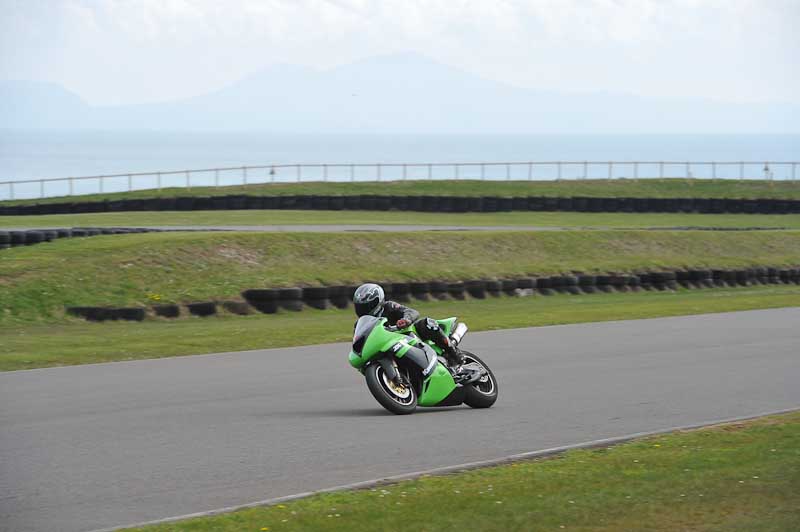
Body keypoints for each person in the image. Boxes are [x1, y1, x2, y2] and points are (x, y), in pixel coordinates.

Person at [353, 283, 464, 368]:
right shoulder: (360, 324)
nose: (365, 310)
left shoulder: (389, 306)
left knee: (427, 323)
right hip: (387, 346)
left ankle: (453, 354)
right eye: (361, 307)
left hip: (409, 335)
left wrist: (406, 320)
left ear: (378, 301)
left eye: (368, 305)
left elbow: (412, 312)